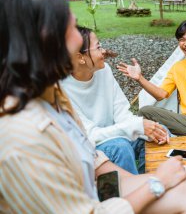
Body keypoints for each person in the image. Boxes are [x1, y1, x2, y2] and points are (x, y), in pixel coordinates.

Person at [0, 0, 186, 214]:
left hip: (99, 186)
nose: (80, 30)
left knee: (185, 185)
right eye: (69, 27)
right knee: (124, 148)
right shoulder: (21, 139)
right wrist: (155, 183)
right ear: (46, 43)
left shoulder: (54, 98)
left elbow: (96, 159)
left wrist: (151, 178)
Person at [61, 26, 169, 174]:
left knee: (160, 131)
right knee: (120, 147)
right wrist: (138, 126)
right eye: (98, 47)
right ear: (80, 57)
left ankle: (150, 183)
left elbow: (122, 114)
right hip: (87, 150)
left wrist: (145, 128)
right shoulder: (60, 88)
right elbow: (90, 136)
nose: (104, 51)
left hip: (115, 136)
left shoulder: (104, 71)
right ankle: (132, 193)